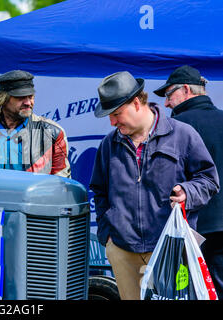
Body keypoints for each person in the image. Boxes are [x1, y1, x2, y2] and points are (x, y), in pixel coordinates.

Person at [89, 71, 219, 300]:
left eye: (117, 113)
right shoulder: (109, 143)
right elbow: (99, 190)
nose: (112, 122)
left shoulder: (183, 134)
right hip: (122, 250)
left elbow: (209, 180)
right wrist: (107, 235)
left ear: (137, 103)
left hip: (170, 249)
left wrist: (187, 192)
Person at [154, 65, 223, 299]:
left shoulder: (177, 126)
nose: (166, 103)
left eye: (168, 94)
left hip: (192, 229)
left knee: (187, 293)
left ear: (185, 90)